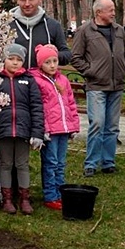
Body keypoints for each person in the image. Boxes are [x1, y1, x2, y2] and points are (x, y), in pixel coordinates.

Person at [72, 0, 125, 177]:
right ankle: (91, 163)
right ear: (99, 12)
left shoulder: (119, 30)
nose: (114, 13)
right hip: (96, 85)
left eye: (114, 9)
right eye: (110, 10)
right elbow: (76, 57)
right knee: (97, 123)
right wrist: (91, 71)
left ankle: (108, 162)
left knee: (112, 126)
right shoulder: (85, 31)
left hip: (117, 85)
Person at [0, 44, 45, 215]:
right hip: (3, 129)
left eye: (19, 60)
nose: (15, 63)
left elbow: (36, 107)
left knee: (22, 164)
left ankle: (24, 198)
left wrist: (37, 132)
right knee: (6, 164)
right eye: (11, 59)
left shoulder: (29, 81)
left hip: (23, 130)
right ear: (4, 59)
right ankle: (6, 198)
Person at [29, 44, 79, 210]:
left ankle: (60, 192)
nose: (52, 65)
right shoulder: (37, 81)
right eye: (47, 62)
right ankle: (50, 194)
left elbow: (70, 103)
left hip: (64, 129)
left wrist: (73, 126)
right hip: (50, 130)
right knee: (50, 162)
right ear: (40, 64)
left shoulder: (63, 80)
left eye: (54, 61)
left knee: (61, 163)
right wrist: (42, 129)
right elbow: (37, 107)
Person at [10, 0, 71, 68]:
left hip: (42, 80)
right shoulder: (6, 26)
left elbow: (67, 55)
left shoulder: (53, 25)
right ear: (17, 0)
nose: (27, 4)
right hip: (14, 80)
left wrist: (53, 54)